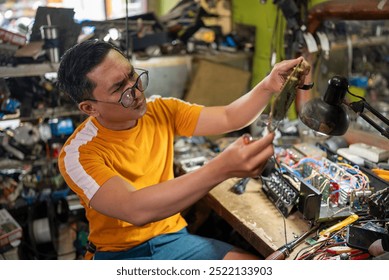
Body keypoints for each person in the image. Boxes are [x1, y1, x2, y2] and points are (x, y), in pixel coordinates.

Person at [56, 39, 310, 260]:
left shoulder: (161, 110)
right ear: (90, 108)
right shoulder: (78, 154)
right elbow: (135, 208)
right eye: (118, 89)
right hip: (119, 253)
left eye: (132, 75)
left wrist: (267, 85)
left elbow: (229, 116)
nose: (135, 91)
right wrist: (220, 169)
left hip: (173, 239)